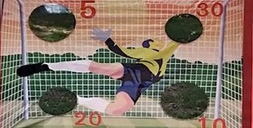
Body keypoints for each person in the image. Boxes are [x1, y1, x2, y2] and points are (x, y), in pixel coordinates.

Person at [18, 28, 179, 116]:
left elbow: (176, 41)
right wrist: (107, 39)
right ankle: (46, 66)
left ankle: (75, 99)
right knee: (103, 68)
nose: (153, 44)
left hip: (139, 84)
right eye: (150, 43)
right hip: (135, 71)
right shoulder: (145, 52)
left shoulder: (163, 52)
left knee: (116, 110)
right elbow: (121, 51)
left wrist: (107, 39)